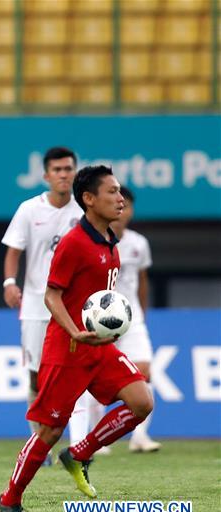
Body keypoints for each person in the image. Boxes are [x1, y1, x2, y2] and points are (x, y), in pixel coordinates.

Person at [0, 165, 154, 512]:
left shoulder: (110, 241)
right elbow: (51, 295)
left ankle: (80, 453)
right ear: (89, 199)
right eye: (112, 192)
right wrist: (75, 332)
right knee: (50, 431)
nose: (120, 199)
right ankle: (9, 498)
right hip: (66, 349)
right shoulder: (74, 243)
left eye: (120, 192)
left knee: (142, 402)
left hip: (99, 346)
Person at [1, 146, 82, 466]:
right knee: (36, 375)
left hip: (74, 306)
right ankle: (39, 442)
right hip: (36, 305)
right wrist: (10, 283)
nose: (63, 174)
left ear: (75, 172)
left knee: (76, 373)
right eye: (57, 170)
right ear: (47, 175)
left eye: (68, 169)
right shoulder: (29, 209)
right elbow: (13, 251)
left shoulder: (84, 210)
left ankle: (79, 443)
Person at [76, 187, 162, 453]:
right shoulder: (92, 241)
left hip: (131, 318)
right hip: (100, 320)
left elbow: (142, 281)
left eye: (126, 205)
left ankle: (140, 437)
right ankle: (96, 436)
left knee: (145, 371)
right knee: (95, 377)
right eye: (116, 203)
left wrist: (142, 313)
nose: (122, 210)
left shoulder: (138, 243)